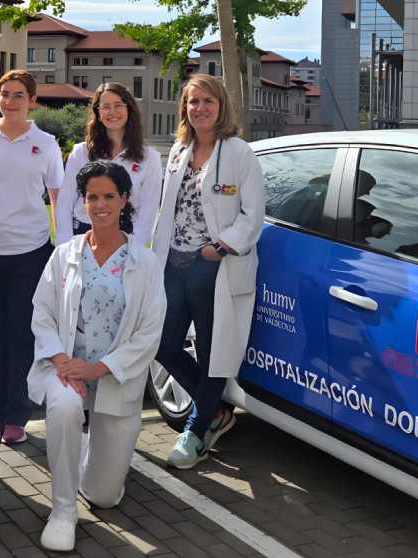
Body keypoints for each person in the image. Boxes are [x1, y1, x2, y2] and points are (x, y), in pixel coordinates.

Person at [29, 161, 166, 552]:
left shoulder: (147, 264)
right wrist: (60, 361)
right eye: (92, 197)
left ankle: (91, 456)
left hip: (114, 376)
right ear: (82, 202)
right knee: (66, 409)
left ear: (124, 200)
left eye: (109, 196)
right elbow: (43, 313)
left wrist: (99, 367)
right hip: (67, 370)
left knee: (104, 496)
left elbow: (148, 333)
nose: (100, 204)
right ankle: (62, 511)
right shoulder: (64, 255)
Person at [152, 74, 265, 470]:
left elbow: (253, 215)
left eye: (207, 101)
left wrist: (219, 248)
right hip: (174, 263)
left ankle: (198, 430)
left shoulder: (238, 152)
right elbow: (170, 210)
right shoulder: (179, 150)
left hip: (214, 266)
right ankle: (215, 408)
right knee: (162, 344)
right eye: (192, 101)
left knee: (212, 351)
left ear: (221, 107)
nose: (199, 108)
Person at [0, 70, 64, 445]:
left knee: (22, 335)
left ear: (33, 100)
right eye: (4, 94)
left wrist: (61, 245)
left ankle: (17, 416)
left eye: (18, 95)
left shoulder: (46, 143)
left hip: (30, 252)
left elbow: (58, 198)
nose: (10, 101)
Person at [53, 82, 162, 247]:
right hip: (82, 234)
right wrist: (65, 246)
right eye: (105, 107)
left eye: (118, 105)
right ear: (97, 112)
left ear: (129, 109)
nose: (112, 112)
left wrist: (132, 250)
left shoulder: (149, 159)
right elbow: (65, 202)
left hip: (126, 237)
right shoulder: (81, 152)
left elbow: (149, 212)